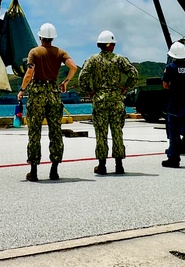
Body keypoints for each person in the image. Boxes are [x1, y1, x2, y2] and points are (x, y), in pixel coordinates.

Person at [17, 22, 77, 182]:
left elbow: (30, 73)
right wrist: (65, 82)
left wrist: (22, 90)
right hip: (53, 93)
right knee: (55, 132)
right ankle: (54, 170)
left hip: (37, 93)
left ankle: (34, 171)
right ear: (53, 38)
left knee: (34, 132)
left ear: (40, 37)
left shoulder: (34, 52)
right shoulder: (61, 52)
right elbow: (73, 67)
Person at [76, 30, 138, 175]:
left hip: (100, 100)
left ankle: (102, 165)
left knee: (101, 133)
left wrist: (90, 91)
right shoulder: (119, 59)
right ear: (110, 45)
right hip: (116, 100)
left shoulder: (92, 60)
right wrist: (125, 87)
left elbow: (82, 78)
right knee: (117, 132)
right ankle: (119, 164)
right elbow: (134, 74)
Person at [161, 42, 185, 168]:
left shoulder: (170, 68)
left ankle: (174, 159)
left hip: (175, 106)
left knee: (174, 134)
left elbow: (165, 85)